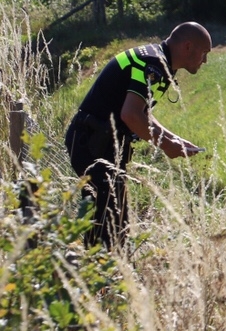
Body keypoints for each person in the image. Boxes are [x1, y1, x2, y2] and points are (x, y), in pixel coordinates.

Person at [65, 22, 211, 249]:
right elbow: (131, 115)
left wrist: (175, 140)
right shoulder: (152, 64)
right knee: (108, 224)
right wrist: (165, 146)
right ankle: (96, 277)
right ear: (188, 46)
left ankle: (97, 275)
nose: (205, 61)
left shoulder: (158, 59)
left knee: (111, 220)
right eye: (204, 53)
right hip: (92, 144)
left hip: (98, 142)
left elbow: (142, 113)